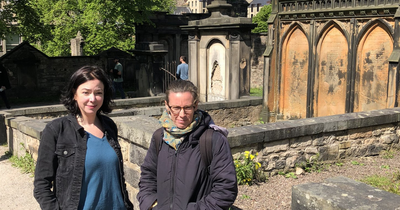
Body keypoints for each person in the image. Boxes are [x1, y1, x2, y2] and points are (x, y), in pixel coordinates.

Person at [34, 66, 133, 210]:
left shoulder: (109, 126)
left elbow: (117, 177)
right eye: (86, 92)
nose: (92, 99)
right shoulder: (56, 130)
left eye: (98, 93)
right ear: (74, 94)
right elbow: (41, 185)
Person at [137, 80, 238, 210]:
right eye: (176, 108)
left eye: (187, 108)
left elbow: (226, 188)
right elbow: (148, 175)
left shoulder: (212, 140)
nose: (182, 115)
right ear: (167, 106)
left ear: (195, 105)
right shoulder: (159, 137)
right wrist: (151, 204)